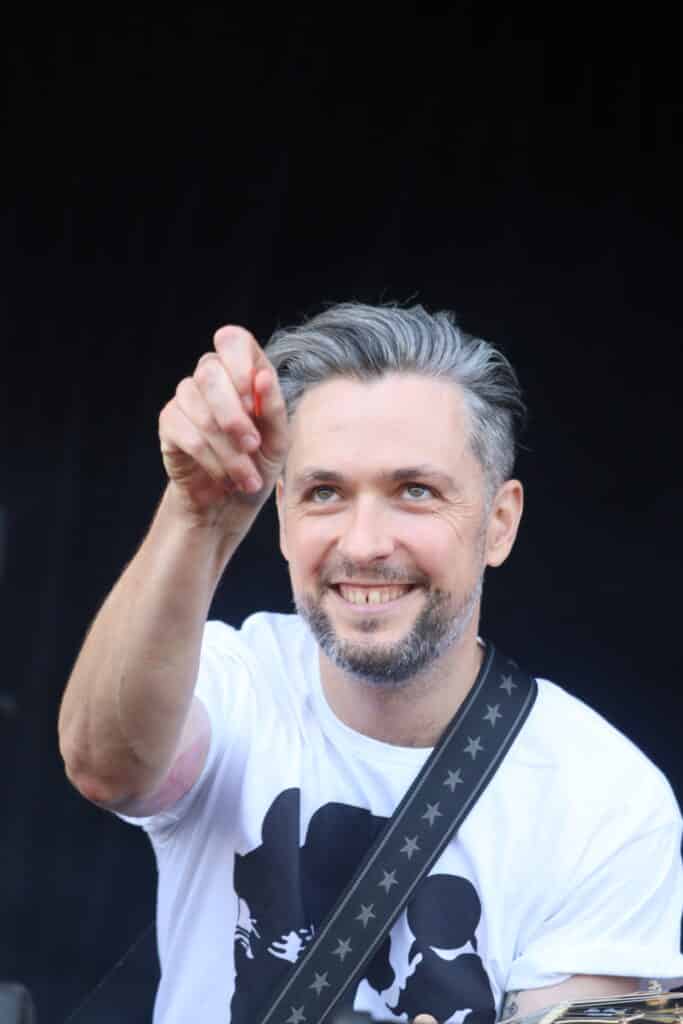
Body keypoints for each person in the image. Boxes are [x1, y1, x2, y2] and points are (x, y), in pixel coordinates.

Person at [58, 303, 683, 1024]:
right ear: (282, 517)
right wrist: (195, 513)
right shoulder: (235, 680)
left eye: (415, 491)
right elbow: (105, 767)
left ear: (499, 522)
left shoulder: (605, 800)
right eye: (324, 493)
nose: (363, 544)